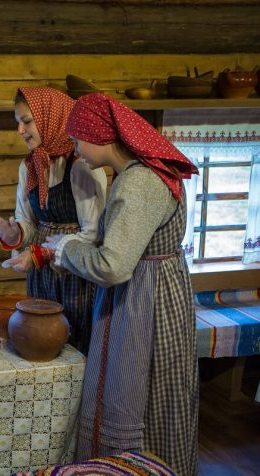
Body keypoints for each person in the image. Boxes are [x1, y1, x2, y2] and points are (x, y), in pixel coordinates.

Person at [44, 93, 198, 475]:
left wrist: (67, 250)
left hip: (145, 303)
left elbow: (113, 266)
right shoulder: (141, 174)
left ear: (98, 136)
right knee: (153, 393)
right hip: (153, 291)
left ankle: (137, 467)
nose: (76, 150)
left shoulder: (139, 182)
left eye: (77, 141)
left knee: (138, 392)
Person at [0, 86, 107, 355]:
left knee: (75, 343)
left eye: (27, 121)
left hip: (76, 275)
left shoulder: (81, 164)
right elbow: (29, 223)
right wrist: (13, 233)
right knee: (39, 337)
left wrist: (42, 254)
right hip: (42, 276)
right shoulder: (30, 166)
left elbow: (93, 233)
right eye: (18, 123)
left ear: (51, 117)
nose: (20, 130)